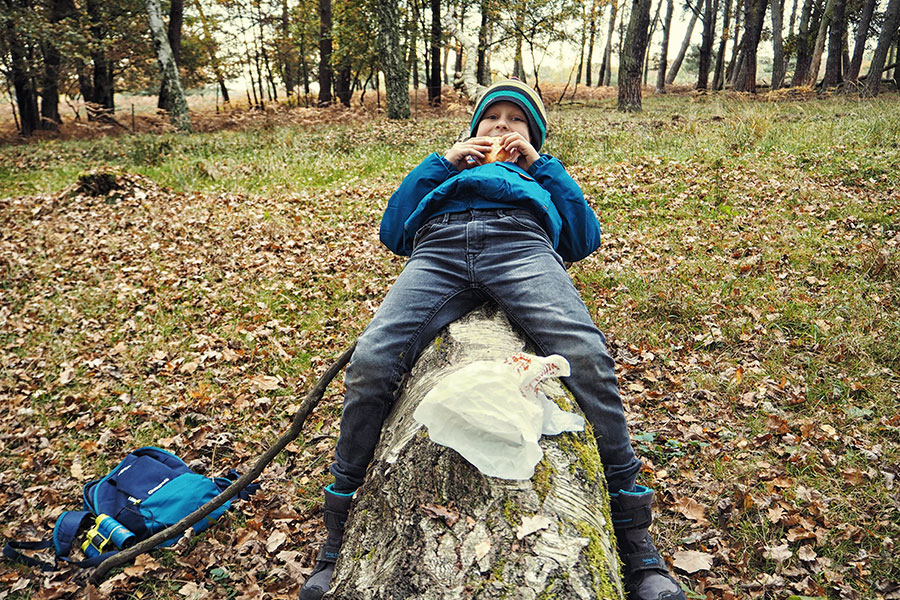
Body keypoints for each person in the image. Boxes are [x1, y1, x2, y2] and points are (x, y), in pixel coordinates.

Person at [299, 79, 686, 600]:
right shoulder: (447, 171)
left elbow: (583, 239)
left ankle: (636, 540)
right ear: (474, 126)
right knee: (371, 361)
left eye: (517, 120)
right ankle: (337, 534)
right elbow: (394, 232)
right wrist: (444, 161)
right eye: (492, 117)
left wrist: (541, 168)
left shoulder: (538, 175)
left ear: (533, 136)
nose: (502, 125)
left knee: (588, 357)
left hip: (520, 244)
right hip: (436, 251)